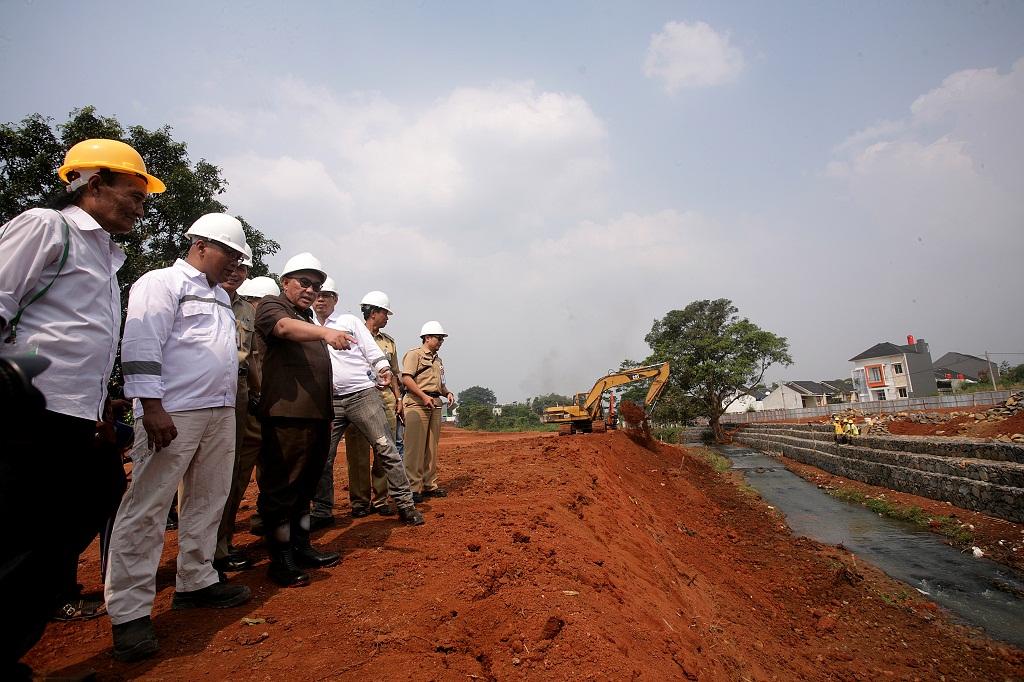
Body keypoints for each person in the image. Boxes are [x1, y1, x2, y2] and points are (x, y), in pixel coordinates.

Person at [0, 139, 163, 677]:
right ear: (93, 185)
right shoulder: (49, 226)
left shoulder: (106, 256)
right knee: (25, 534)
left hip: (72, 414)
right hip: (28, 411)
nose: (141, 208)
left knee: (90, 499)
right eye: (134, 195)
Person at [104, 213, 253, 663]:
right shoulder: (162, 282)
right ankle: (129, 613)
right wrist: (150, 406)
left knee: (209, 498)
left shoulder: (220, 297)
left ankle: (196, 579)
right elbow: (142, 344)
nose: (233, 263)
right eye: (229, 253)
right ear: (202, 244)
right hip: (173, 412)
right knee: (148, 507)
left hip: (218, 411)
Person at [255, 253, 355, 587]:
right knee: (282, 487)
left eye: (317, 285)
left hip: (315, 417)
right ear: (285, 282)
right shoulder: (273, 307)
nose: (312, 290)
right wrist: (325, 334)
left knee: (305, 487)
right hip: (286, 417)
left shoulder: (306, 316)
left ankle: (301, 546)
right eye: (304, 282)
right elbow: (283, 328)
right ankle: (280, 558)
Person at [311, 291, 423, 527]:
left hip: (362, 395)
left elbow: (373, 352)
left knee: (386, 448)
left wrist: (382, 368)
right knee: (322, 456)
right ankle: (322, 511)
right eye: (317, 295)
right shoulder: (307, 324)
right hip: (328, 400)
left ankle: (405, 505)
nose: (320, 299)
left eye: (326, 295)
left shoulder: (349, 322)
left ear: (335, 300)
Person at [332, 291, 404, 519]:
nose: (387, 318)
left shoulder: (389, 342)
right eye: (385, 313)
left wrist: (399, 398)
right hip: (358, 399)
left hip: (385, 401)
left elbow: (393, 372)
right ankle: (360, 502)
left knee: (385, 451)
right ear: (373, 313)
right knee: (358, 454)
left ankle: (381, 499)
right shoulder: (348, 334)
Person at [213, 247, 257, 576]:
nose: (235, 271)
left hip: (238, 389)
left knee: (232, 467)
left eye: (242, 267)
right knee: (196, 472)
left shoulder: (247, 310)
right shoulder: (202, 296)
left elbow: (252, 357)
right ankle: (197, 550)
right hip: (199, 388)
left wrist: (256, 392)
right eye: (232, 264)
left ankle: (221, 545)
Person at [401, 321, 456, 503]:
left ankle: (429, 485)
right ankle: (413, 488)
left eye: (442, 339)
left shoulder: (438, 360)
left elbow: (439, 384)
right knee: (414, 449)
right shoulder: (414, 354)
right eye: (438, 338)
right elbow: (407, 379)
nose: (441, 341)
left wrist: (447, 392)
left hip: (435, 404)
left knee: (431, 448)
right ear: (427, 337)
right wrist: (423, 396)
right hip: (417, 404)